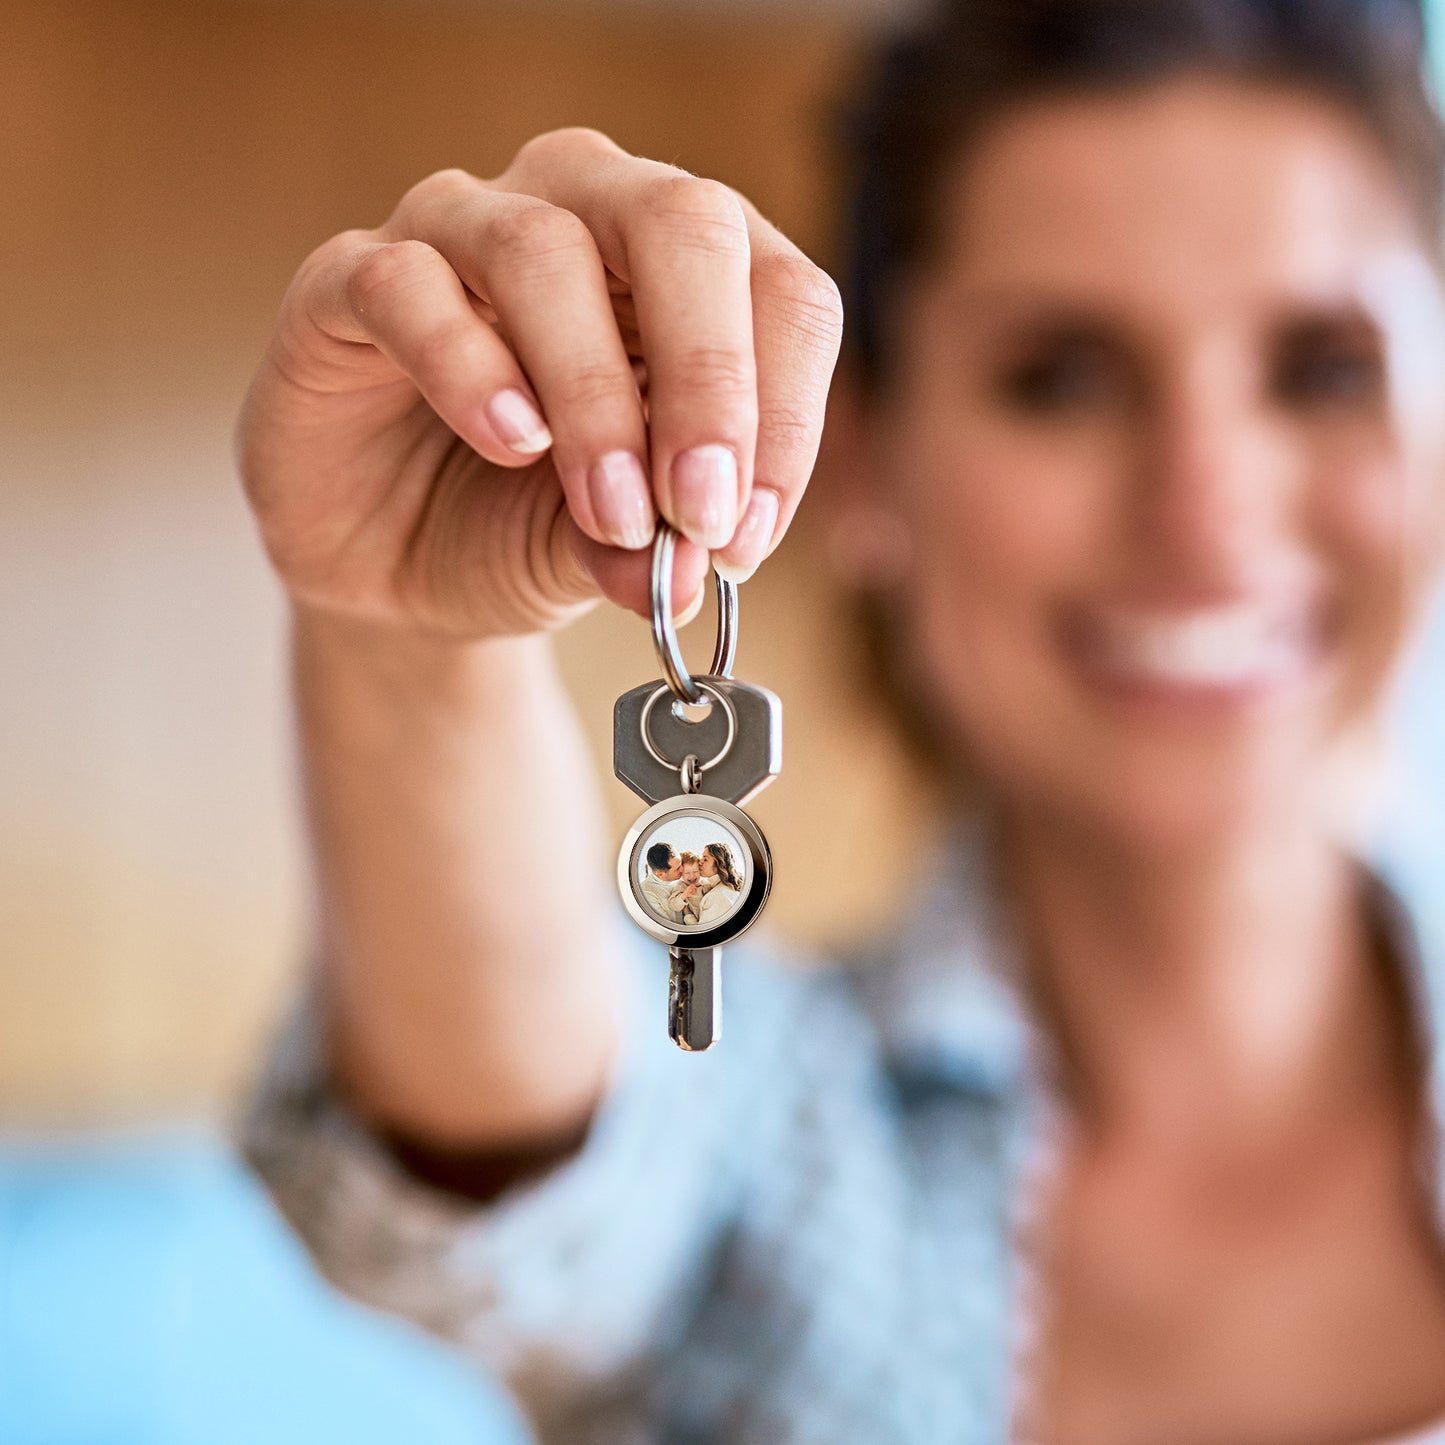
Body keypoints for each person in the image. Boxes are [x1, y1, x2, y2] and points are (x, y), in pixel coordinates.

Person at [238, 1, 1445, 1440]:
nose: (1207, 511)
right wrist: (410, 641)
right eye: (1056, 375)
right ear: (859, 455)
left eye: (1321, 368)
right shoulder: (767, 1162)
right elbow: (535, 1152)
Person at [638, 841, 688, 924]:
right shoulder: (647, 894)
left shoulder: (683, 878)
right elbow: (668, 927)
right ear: (660, 874)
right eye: (677, 868)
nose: (682, 869)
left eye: (681, 863)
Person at [697, 841, 742, 925]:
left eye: (705, 859)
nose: (700, 862)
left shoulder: (717, 896)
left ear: (719, 864)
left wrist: (687, 914)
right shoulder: (726, 890)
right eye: (701, 857)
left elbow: (704, 934)